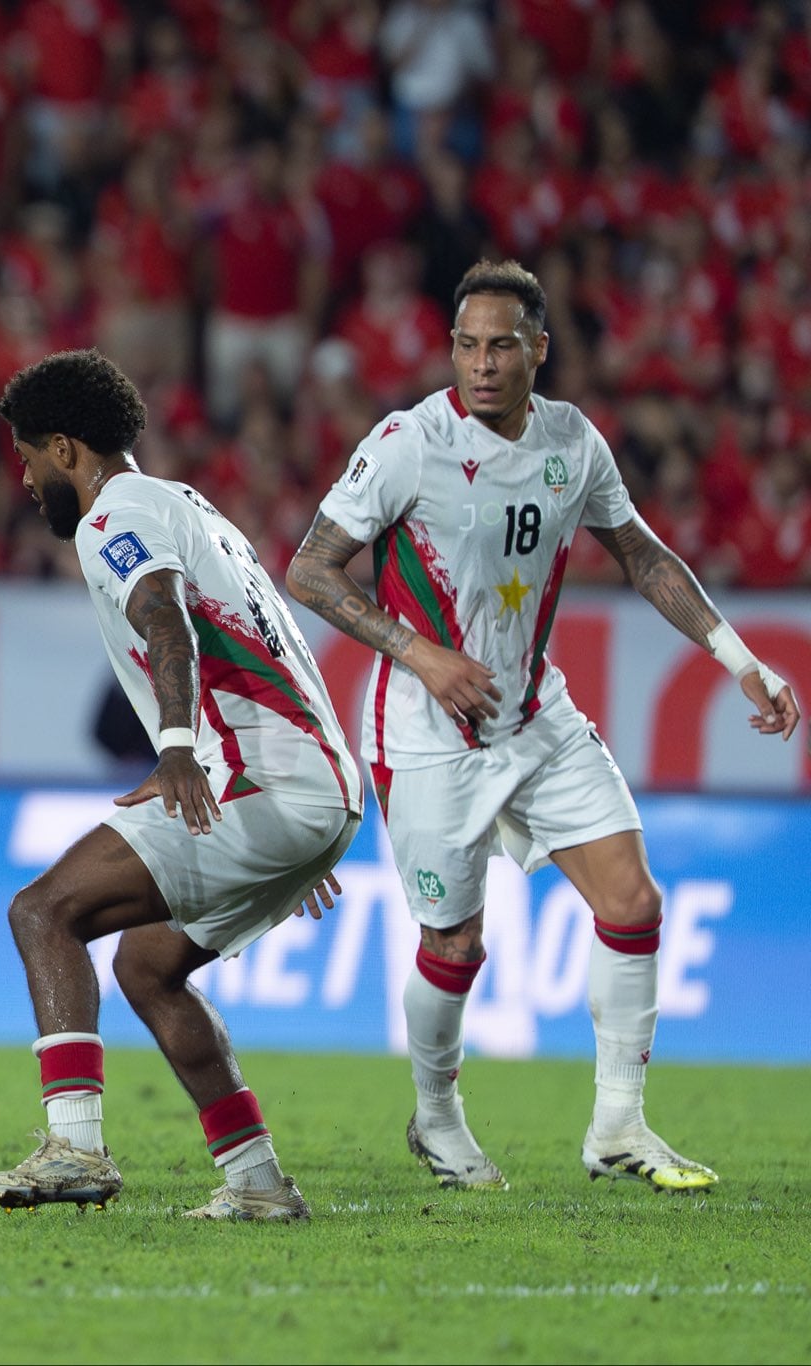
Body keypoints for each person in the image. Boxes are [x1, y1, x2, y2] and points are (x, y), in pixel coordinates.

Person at [285, 259, 800, 1192]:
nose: (482, 365)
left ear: (539, 351)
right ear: (452, 349)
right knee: (456, 945)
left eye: (503, 347)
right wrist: (422, 653)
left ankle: (617, 1128)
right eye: (467, 346)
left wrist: (741, 661)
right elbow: (311, 570)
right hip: (428, 735)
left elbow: (642, 558)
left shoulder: (574, 441)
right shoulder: (406, 442)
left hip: (534, 714)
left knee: (635, 904)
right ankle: (437, 1121)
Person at [0, 350, 362, 1222]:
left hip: (260, 784)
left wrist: (182, 748)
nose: (26, 479)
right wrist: (311, 823)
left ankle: (73, 1148)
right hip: (308, 787)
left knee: (43, 911)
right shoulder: (193, 509)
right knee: (149, 965)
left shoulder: (112, 518)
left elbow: (164, 616)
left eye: (30, 455)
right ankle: (259, 1184)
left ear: (67, 450)